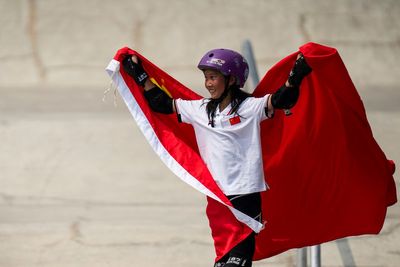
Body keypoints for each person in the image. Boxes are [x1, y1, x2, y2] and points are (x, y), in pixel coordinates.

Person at [122, 48, 311, 267]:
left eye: (213, 77)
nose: (208, 84)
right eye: (206, 78)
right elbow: (162, 104)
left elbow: (282, 100)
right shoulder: (200, 110)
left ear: (231, 79)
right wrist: (140, 75)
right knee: (222, 263)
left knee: (236, 263)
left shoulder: (250, 107)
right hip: (217, 198)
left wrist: (295, 78)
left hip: (244, 196)